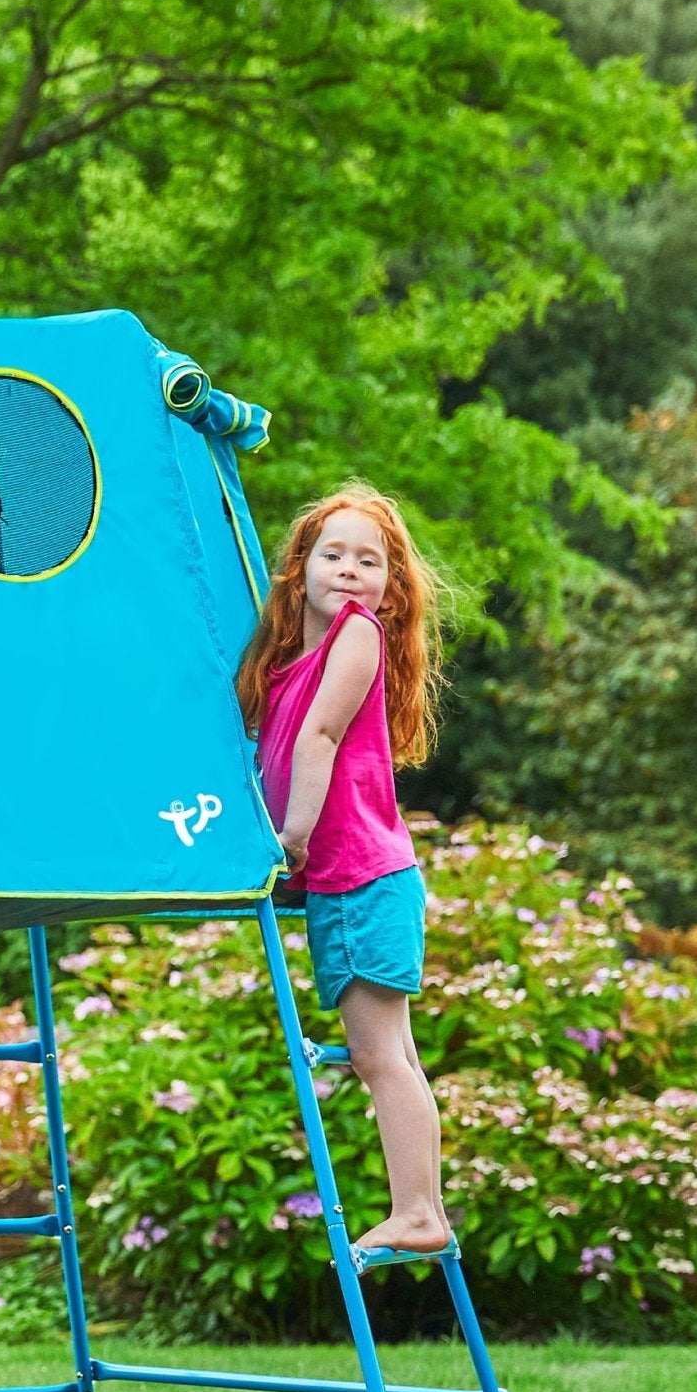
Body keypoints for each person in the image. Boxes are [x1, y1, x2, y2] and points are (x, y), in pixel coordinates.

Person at [237, 484, 450, 1257]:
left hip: (362, 880)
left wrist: (292, 838)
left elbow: (320, 738)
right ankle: (424, 1207)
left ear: (390, 588)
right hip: (351, 884)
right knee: (394, 1054)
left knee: (377, 1056)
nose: (351, 570)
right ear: (301, 569)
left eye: (370, 560)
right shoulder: (290, 663)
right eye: (334, 555)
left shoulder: (358, 635)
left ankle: (418, 1212)